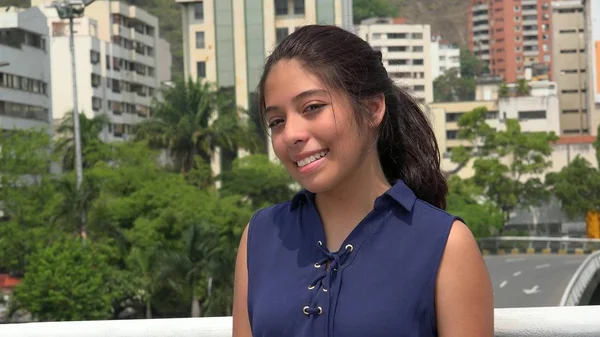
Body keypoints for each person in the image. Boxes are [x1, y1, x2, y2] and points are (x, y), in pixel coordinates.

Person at [232, 25, 493, 337]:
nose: (291, 135)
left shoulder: (446, 244)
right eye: (277, 121)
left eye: (312, 107)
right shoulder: (261, 235)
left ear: (372, 109)